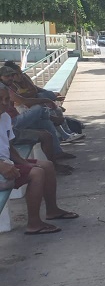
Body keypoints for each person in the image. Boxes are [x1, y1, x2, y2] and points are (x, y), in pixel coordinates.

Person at [0, 86, 78, 234]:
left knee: (47, 166)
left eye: (7, 99)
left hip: (7, 163)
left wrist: (23, 162)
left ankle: (52, 210)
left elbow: (9, 147)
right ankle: (34, 224)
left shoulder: (4, 117)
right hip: (2, 168)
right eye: (1, 100)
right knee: (36, 173)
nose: (6, 103)